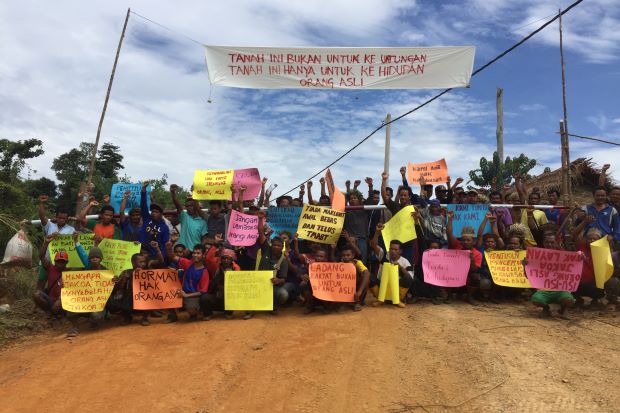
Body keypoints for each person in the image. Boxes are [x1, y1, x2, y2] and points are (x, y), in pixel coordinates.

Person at [67, 232, 109, 337]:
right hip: (85, 300)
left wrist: (114, 280)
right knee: (70, 308)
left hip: (98, 303)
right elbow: (82, 253)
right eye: (92, 257)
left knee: (96, 315)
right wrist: (76, 241)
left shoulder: (106, 271)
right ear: (89, 259)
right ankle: (74, 327)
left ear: (101, 259)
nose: (94, 259)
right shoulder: (88, 266)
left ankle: (95, 321)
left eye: (97, 257)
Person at [524, 233, 575, 319]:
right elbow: (527, 276)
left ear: (556, 242)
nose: (549, 244)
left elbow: (574, 266)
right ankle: (546, 309)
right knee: (536, 299)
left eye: (552, 242)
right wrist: (525, 265)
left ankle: (563, 309)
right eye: (547, 242)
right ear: (543, 243)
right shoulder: (537, 256)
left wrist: (580, 258)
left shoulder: (564, 255)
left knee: (569, 299)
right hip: (544, 290)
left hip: (560, 290)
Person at [369, 224, 412, 308]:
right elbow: (374, 245)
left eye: (395, 249)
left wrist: (401, 268)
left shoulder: (405, 262)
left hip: (396, 288)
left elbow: (410, 277)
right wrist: (377, 233)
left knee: (408, 278)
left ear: (400, 251)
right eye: (391, 248)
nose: (393, 251)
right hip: (382, 286)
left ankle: (397, 300)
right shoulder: (384, 255)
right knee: (369, 277)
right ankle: (381, 299)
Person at [165, 242, 210, 322]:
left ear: (203, 255)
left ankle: (197, 311)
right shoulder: (188, 263)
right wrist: (169, 248)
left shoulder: (204, 271)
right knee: (168, 291)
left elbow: (202, 291)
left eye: (198, 253)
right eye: (194, 253)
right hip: (182, 292)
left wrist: (187, 295)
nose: (195, 255)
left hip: (193, 296)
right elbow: (173, 256)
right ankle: (172, 315)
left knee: (192, 311)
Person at [447, 212, 483, 305]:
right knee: (446, 272)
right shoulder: (457, 246)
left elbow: (474, 270)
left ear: (473, 242)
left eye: (468, 240)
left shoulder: (477, 254)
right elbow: (449, 233)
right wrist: (450, 219)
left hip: (468, 276)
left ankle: (470, 297)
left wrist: (472, 260)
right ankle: (449, 296)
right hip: (455, 274)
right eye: (463, 240)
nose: (465, 242)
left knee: (476, 277)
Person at [106, 253, 148, 326]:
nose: (143, 264)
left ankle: (145, 317)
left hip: (143, 296)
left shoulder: (149, 272)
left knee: (149, 298)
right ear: (133, 263)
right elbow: (119, 288)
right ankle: (127, 317)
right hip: (129, 297)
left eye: (144, 262)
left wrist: (141, 274)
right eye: (140, 262)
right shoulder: (126, 272)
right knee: (116, 301)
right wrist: (122, 279)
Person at [33, 234, 68, 316]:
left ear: (66, 262)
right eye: (58, 261)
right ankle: (49, 311)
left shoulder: (70, 272)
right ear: (54, 261)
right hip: (50, 301)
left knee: (60, 307)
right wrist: (46, 243)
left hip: (63, 302)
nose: (60, 263)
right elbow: (41, 256)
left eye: (62, 262)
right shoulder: (50, 268)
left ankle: (59, 313)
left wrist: (60, 300)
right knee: (37, 295)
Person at [201, 248, 240, 320]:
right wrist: (215, 246)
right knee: (204, 297)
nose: (226, 260)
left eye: (228, 259)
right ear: (221, 259)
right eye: (224, 258)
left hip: (228, 297)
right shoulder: (216, 267)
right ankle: (208, 314)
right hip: (215, 295)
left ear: (232, 260)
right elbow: (208, 258)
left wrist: (230, 275)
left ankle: (228, 313)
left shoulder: (236, 268)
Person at [170, 184, 208, 250]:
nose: (189, 207)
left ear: (196, 206)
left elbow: (204, 238)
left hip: (194, 252)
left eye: (191, 205)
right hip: (182, 251)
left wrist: (200, 250)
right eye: (187, 206)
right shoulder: (185, 217)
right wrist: (173, 193)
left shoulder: (202, 222)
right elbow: (178, 205)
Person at [140, 180, 170, 258]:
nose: (153, 213)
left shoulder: (165, 228)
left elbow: (165, 244)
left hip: (156, 256)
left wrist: (160, 258)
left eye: (156, 212)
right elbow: (143, 206)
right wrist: (143, 190)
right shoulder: (147, 219)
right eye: (152, 211)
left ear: (161, 214)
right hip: (142, 254)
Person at [339, 244, 370, 311]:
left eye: (348, 255)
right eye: (344, 255)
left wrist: (359, 291)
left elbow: (367, 273)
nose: (346, 257)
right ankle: (344, 302)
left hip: (357, 288)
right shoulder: (340, 264)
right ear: (341, 256)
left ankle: (358, 302)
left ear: (353, 255)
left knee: (366, 280)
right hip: (345, 288)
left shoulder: (357, 262)